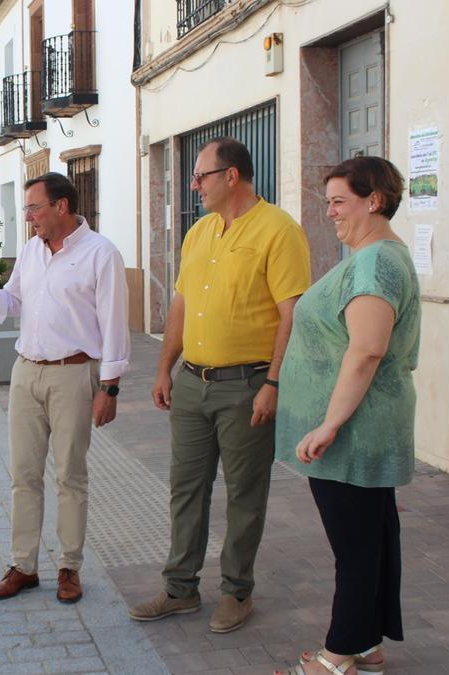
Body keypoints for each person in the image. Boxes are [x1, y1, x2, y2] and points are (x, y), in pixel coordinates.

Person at [128, 138, 311, 633]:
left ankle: (236, 592)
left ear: (232, 176)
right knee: (185, 489)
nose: (194, 185)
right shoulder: (200, 232)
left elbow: (290, 313)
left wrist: (274, 382)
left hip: (247, 385)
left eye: (201, 176)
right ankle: (180, 588)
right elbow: (181, 307)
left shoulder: (279, 231)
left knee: (245, 495)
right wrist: (164, 368)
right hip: (192, 383)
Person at [0, 172, 129, 604]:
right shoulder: (31, 250)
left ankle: (69, 567)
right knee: (23, 476)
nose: (27, 217)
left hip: (73, 373)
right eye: (26, 209)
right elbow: (15, 302)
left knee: (70, 476)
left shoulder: (101, 254)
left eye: (33, 208)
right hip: (26, 372)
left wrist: (111, 388)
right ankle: (23, 566)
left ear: (61, 207)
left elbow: (116, 324)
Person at [274, 157, 418, 675]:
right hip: (358, 430)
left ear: (373, 200)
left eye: (339, 201)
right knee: (371, 540)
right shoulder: (371, 255)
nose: (330, 211)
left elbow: (367, 350)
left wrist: (329, 424)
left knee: (355, 548)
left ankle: (337, 657)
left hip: (355, 434)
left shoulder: (376, 262)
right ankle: (365, 646)